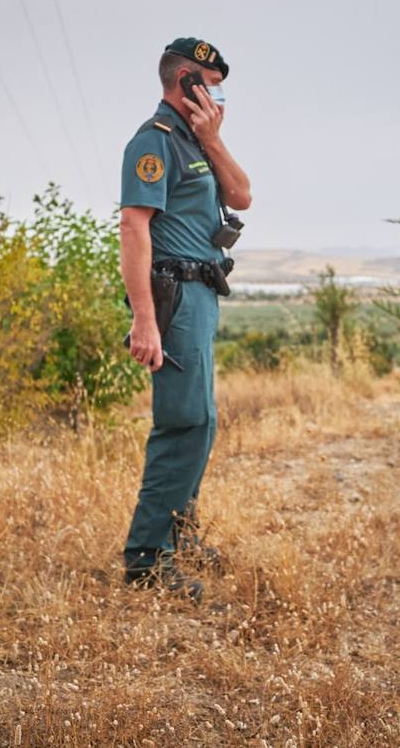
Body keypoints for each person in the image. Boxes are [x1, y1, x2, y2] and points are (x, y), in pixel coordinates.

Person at [119, 37, 252, 600]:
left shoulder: (197, 143)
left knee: (203, 421)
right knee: (183, 425)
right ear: (186, 81)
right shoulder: (154, 143)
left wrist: (213, 138)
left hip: (203, 292)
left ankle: (178, 533)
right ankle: (148, 559)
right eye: (211, 82)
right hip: (172, 295)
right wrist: (145, 321)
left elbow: (241, 196)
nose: (218, 93)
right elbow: (133, 227)